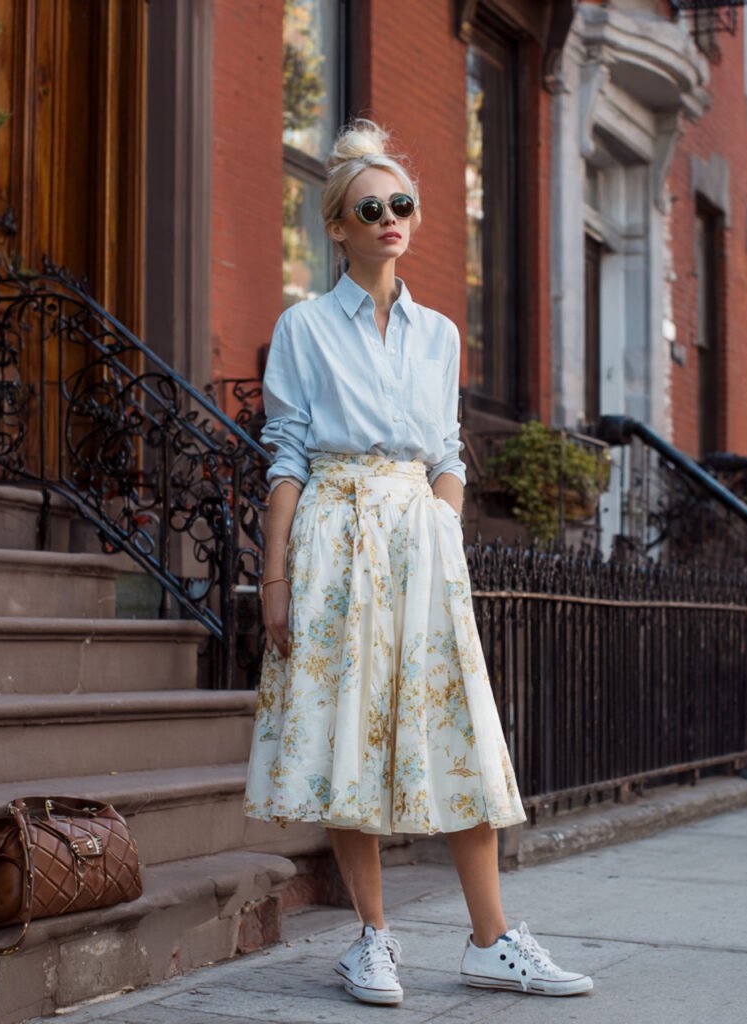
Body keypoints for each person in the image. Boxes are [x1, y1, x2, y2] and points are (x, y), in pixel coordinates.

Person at [243, 120, 593, 1007]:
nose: (392, 217)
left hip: (420, 543)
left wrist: (440, 526)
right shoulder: (304, 328)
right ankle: (373, 939)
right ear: (339, 227)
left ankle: (493, 939)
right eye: (373, 207)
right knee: (345, 734)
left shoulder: (439, 334)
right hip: (334, 535)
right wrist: (275, 575)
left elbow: (447, 450)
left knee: (462, 728)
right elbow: (285, 453)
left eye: (404, 203)